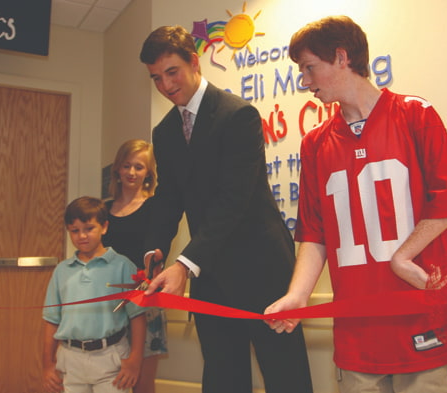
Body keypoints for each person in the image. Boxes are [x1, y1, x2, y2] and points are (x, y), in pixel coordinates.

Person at [264, 15, 447, 393]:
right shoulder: (314, 144)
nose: (305, 81)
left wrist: (402, 256)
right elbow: (315, 234)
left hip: (423, 326)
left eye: (310, 68)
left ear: (342, 57)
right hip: (357, 338)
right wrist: (296, 297)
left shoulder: (416, 114)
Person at [138, 25, 313, 393]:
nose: (166, 85)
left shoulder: (238, 115)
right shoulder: (165, 131)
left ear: (194, 61)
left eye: (172, 72)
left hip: (261, 268)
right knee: (222, 376)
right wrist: (155, 249)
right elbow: (170, 197)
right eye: (156, 78)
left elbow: (234, 199)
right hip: (210, 274)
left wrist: (184, 263)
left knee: (285, 376)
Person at [42, 196, 146, 393]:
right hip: (70, 361)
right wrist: (47, 365)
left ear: (104, 227)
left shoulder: (123, 266)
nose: (82, 236)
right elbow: (51, 320)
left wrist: (135, 360)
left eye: (89, 228)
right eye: (75, 231)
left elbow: (137, 316)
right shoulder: (61, 271)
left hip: (112, 360)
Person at [102, 139, 168, 393]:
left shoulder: (156, 207)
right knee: (106, 380)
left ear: (149, 173)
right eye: (126, 166)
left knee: (141, 384)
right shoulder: (102, 210)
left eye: (139, 167)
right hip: (106, 304)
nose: (131, 173)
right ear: (117, 169)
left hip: (144, 302)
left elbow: (158, 254)